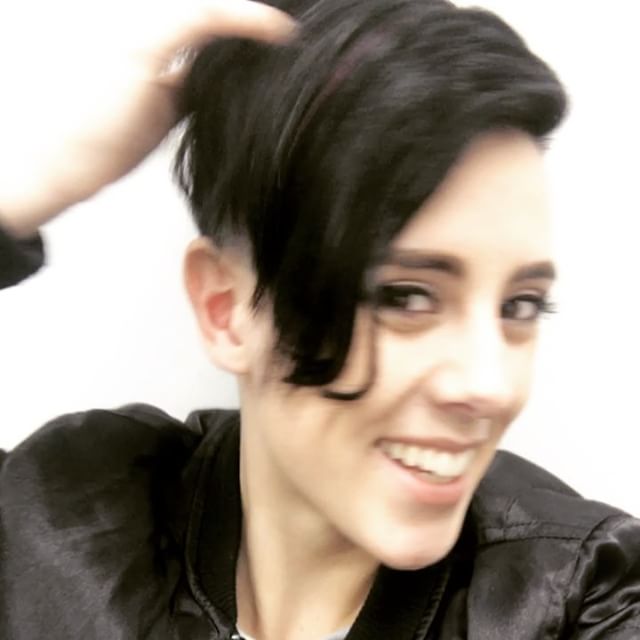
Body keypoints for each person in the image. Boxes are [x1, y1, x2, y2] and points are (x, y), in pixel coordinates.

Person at [1, 0, 639, 639]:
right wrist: (25, 183)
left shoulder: (584, 597)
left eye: (520, 305)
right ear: (227, 309)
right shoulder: (60, 522)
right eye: (406, 296)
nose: (490, 386)